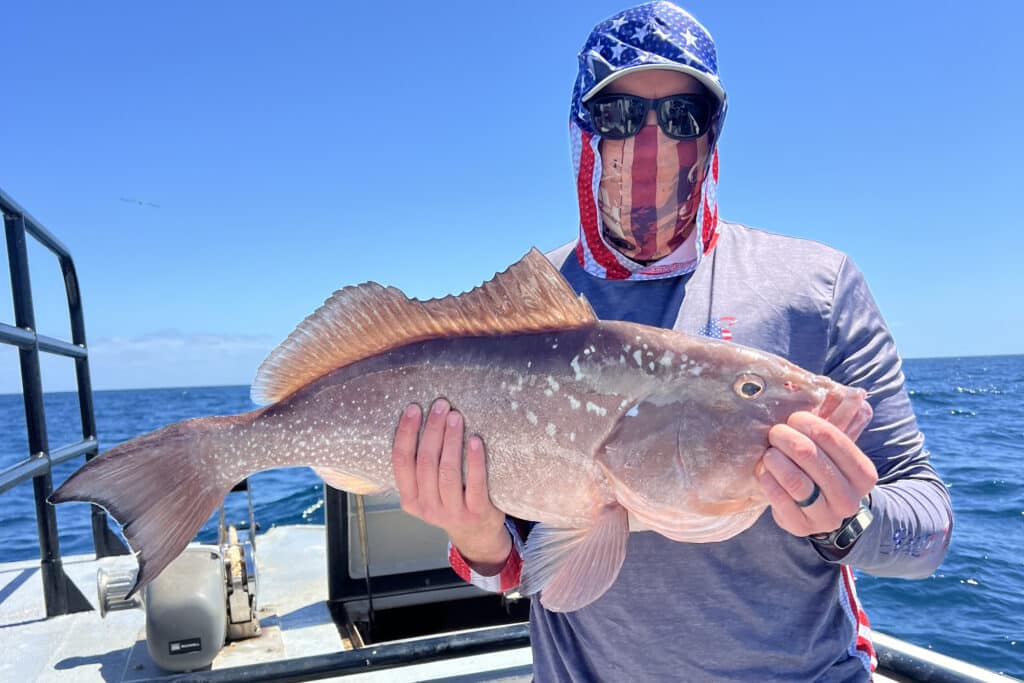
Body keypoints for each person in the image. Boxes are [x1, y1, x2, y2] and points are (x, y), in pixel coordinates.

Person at [390, 2, 953, 680]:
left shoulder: (817, 289)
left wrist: (845, 520)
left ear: (714, 134)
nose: (651, 143)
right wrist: (474, 534)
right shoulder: (530, 311)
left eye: (681, 116)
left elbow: (928, 529)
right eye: (620, 117)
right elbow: (523, 568)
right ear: (583, 130)